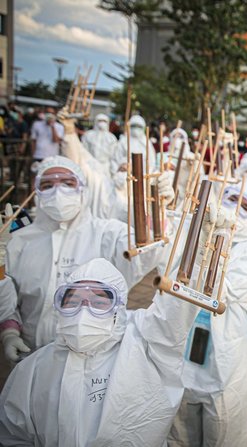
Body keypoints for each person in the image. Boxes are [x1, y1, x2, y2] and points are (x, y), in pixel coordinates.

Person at [0, 258, 199, 445]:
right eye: (73, 300)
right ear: (60, 307)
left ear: (118, 309)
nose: (83, 310)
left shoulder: (146, 350)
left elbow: (176, 307)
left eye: (99, 302)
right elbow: (12, 434)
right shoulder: (34, 368)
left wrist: (202, 252)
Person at [0, 156, 171, 359]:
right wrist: (9, 331)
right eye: (47, 185)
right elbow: (5, 290)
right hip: (29, 353)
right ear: (37, 193)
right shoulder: (17, 240)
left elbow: (146, 252)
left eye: (67, 183)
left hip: (93, 359)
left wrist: (156, 211)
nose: (58, 191)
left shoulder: (107, 233)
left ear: (83, 189)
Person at [169, 176, 247, 446]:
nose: (235, 208)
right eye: (230, 198)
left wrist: (210, 238)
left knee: (224, 431)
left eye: (245, 206)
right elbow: (171, 274)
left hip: (227, 355)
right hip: (185, 344)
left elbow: (219, 291)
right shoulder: (197, 230)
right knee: (180, 430)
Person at [81, 114, 118, 178]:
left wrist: (113, 170)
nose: (102, 123)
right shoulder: (88, 135)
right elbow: (83, 151)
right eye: (100, 121)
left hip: (105, 166)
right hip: (90, 165)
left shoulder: (111, 138)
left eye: (104, 121)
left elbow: (114, 155)